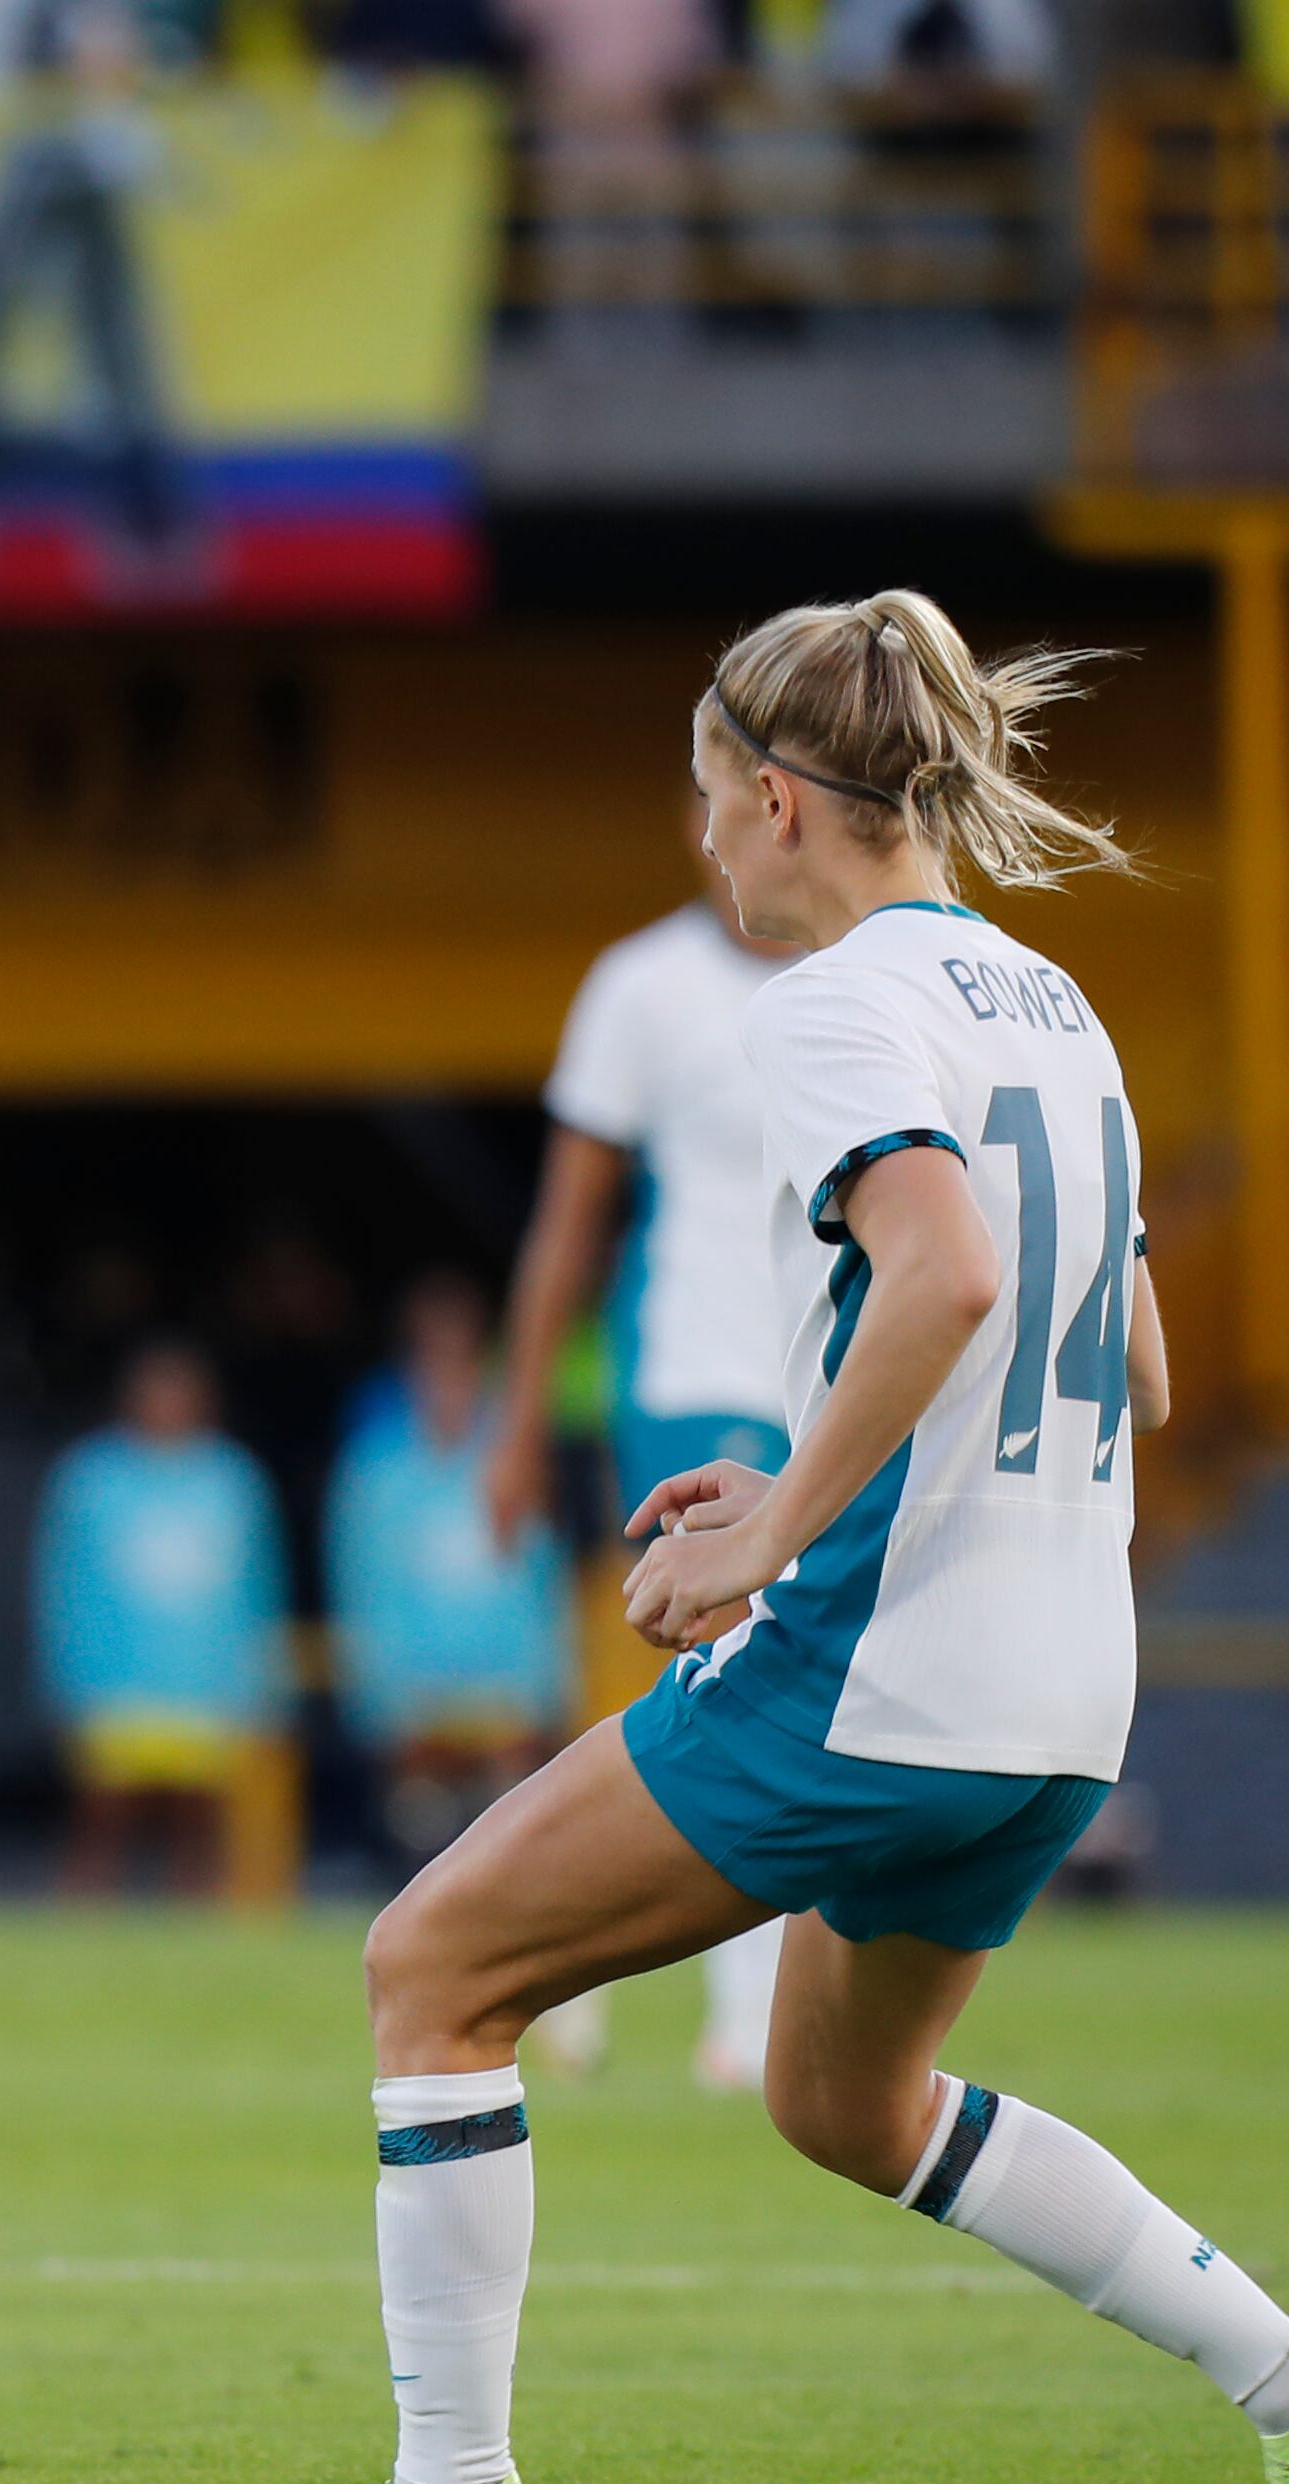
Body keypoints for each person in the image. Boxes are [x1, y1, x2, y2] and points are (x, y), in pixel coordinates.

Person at [221, 589, 1289, 2484]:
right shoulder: (1051, 1008)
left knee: (427, 1966)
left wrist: (772, 1525)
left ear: (778, 803)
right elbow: (1126, 1360)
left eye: (706, 803)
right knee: (834, 2099)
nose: (700, 846)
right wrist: (822, 1459)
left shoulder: (824, 1009)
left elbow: (943, 1270)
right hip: (1057, 1691)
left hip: (876, 1674)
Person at [490, 838, 803, 2088]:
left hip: (827, 1386)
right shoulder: (642, 985)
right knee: (734, 1665)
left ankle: (559, 1951)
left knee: (768, 1681)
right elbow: (569, 1220)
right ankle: (738, 2014)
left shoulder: (854, 980)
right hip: (690, 1374)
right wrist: (515, 1423)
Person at [33, 1335, 286, 1898]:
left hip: (205, 1686)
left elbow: (257, 1594)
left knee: (197, 1824)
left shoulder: (233, 1481)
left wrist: (259, 1688)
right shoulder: (91, 1479)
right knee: (104, 1816)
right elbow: (63, 1591)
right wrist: (68, 1681)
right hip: (115, 1687)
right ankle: (83, 1917)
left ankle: (194, 1928)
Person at [331, 1275, 568, 1874]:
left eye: (462, 1362)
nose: (449, 1381)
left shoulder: (515, 1462)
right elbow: (362, 1589)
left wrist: (539, 1688)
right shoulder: (377, 1474)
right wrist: (386, 1692)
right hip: (414, 1689)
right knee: (421, 1825)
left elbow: (540, 1585)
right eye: (434, 1361)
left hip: (504, 1684)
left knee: (512, 1823)